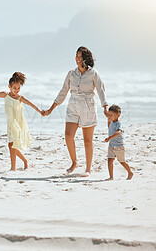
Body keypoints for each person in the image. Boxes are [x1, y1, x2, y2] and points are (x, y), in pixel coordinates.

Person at [43, 46, 108, 176]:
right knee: (68, 136)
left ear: (86, 58)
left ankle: (88, 169)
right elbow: (63, 91)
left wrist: (105, 107)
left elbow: (101, 90)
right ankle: (74, 162)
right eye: (76, 57)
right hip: (72, 105)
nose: (77, 59)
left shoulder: (93, 73)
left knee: (87, 140)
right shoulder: (71, 73)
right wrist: (51, 108)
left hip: (88, 106)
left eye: (80, 57)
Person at [0, 72, 43, 171]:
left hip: (18, 124)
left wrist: (40, 111)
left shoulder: (20, 98)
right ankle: (24, 161)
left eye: (18, 88)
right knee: (11, 145)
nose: (16, 90)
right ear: (9, 86)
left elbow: (31, 105)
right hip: (10, 123)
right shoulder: (5, 95)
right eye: (14, 88)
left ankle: (13, 168)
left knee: (11, 144)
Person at [104, 104, 133, 180]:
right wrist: (106, 111)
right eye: (109, 115)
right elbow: (109, 125)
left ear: (118, 115)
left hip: (119, 146)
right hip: (111, 146)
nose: (110, 116)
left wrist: (110, 137)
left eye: (112, 115)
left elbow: (118, 132)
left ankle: (130, 172)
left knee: (122, 161)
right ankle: (111, 177)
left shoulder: (118, 123)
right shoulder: (111, 122)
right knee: (109, 160)